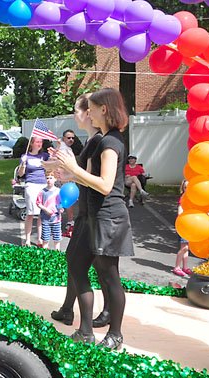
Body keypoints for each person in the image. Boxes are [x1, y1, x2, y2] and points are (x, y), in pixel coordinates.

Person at [57, 88, 134, 351]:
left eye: (91, 107)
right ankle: (86, 331)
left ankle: (116, 335)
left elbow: (105, 185)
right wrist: (70, 172)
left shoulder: (111, 142)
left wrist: (74, 169)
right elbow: (89, 180)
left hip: (109, 217)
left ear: (104, 109)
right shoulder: (102, 140)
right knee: (76, 264)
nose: (87, 113)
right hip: (94, 216)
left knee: (109, 276)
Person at [50, 93, 110, 328]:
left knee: (97, 266)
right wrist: (64, 171)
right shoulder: (92, 140)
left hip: (95, 213)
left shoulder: (98, 142)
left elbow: (97, 181)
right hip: (87, 211)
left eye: (77, 110)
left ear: (88, 113)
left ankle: (102, 315)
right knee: (79, 261)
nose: (75, 115)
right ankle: (68, 309)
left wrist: (69, 171)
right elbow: (83, 177)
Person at [17, 136, 49, 247]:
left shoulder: (44, 156)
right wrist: (23, 164)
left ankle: (40, 238)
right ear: (31, 144)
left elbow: (52, 166)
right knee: (30, 213)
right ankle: (27, 239)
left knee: (42, 213)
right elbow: (21, 174)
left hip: (43, 184)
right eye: (37, 141)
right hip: (31, 184)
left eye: (41, 142)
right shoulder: (26, 156)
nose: (39, 143)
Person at [36, 171, 63, 250]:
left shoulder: (58, 191)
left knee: (57, 239)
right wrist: (45, 209)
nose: (49, 180)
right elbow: (38, 203)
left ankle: (57, 254)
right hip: (45, 219)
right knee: (45, 238)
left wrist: (61, 208)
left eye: (51, 178)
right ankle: (45, 254)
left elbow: (60, 202)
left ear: (55, 179)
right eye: (47, 178)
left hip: (56, 219)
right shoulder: (42, 192)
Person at [173, 180, 192, 278]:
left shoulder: (192, 198)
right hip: (184, 225)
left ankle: (184, 267)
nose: (187, 189)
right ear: (183, 188)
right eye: (185, 187)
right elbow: (180, 212)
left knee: (186, 248)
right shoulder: (183, 198)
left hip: (191, 225)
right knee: (184, 247)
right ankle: (177, 267)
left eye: (189, 187)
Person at [60, 130, 77, 237]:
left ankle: (70, 223)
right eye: (68, 138)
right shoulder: (62, 149)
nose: (71, 139)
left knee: (68, 203)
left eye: (72, 138)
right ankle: (68, 224)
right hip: (64, 180)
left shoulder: (68, 149)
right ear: (63, 138)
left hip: (70, 179)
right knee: (64, 203)